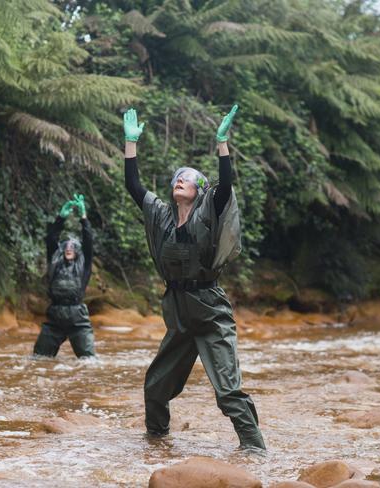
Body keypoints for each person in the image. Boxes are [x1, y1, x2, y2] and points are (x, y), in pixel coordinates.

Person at [123, 104, 266, 450]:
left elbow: (226, 186)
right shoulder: (161, 217)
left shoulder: (209, 212)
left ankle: (255, 450)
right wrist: (131, 145)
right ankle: (156, 443)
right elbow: (133, 185)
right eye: (176, 177)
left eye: (186, 177)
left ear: (199, 189)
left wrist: (222, 143)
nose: (178, 180)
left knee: (228, 392)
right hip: (180, 316)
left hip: (211, 314)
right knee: (155, 385)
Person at [33, 194, 96, 358]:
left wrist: (83, 218)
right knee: (39, 359)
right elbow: (51, 239)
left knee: (89, 361)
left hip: (78, 318)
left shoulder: (84, 263)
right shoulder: (55, 260)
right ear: (62, 250)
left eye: (72, 247)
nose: (69, 248)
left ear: (77, 252)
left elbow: (88, 241)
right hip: (55, 316)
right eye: (66, 247)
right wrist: (61, 218)